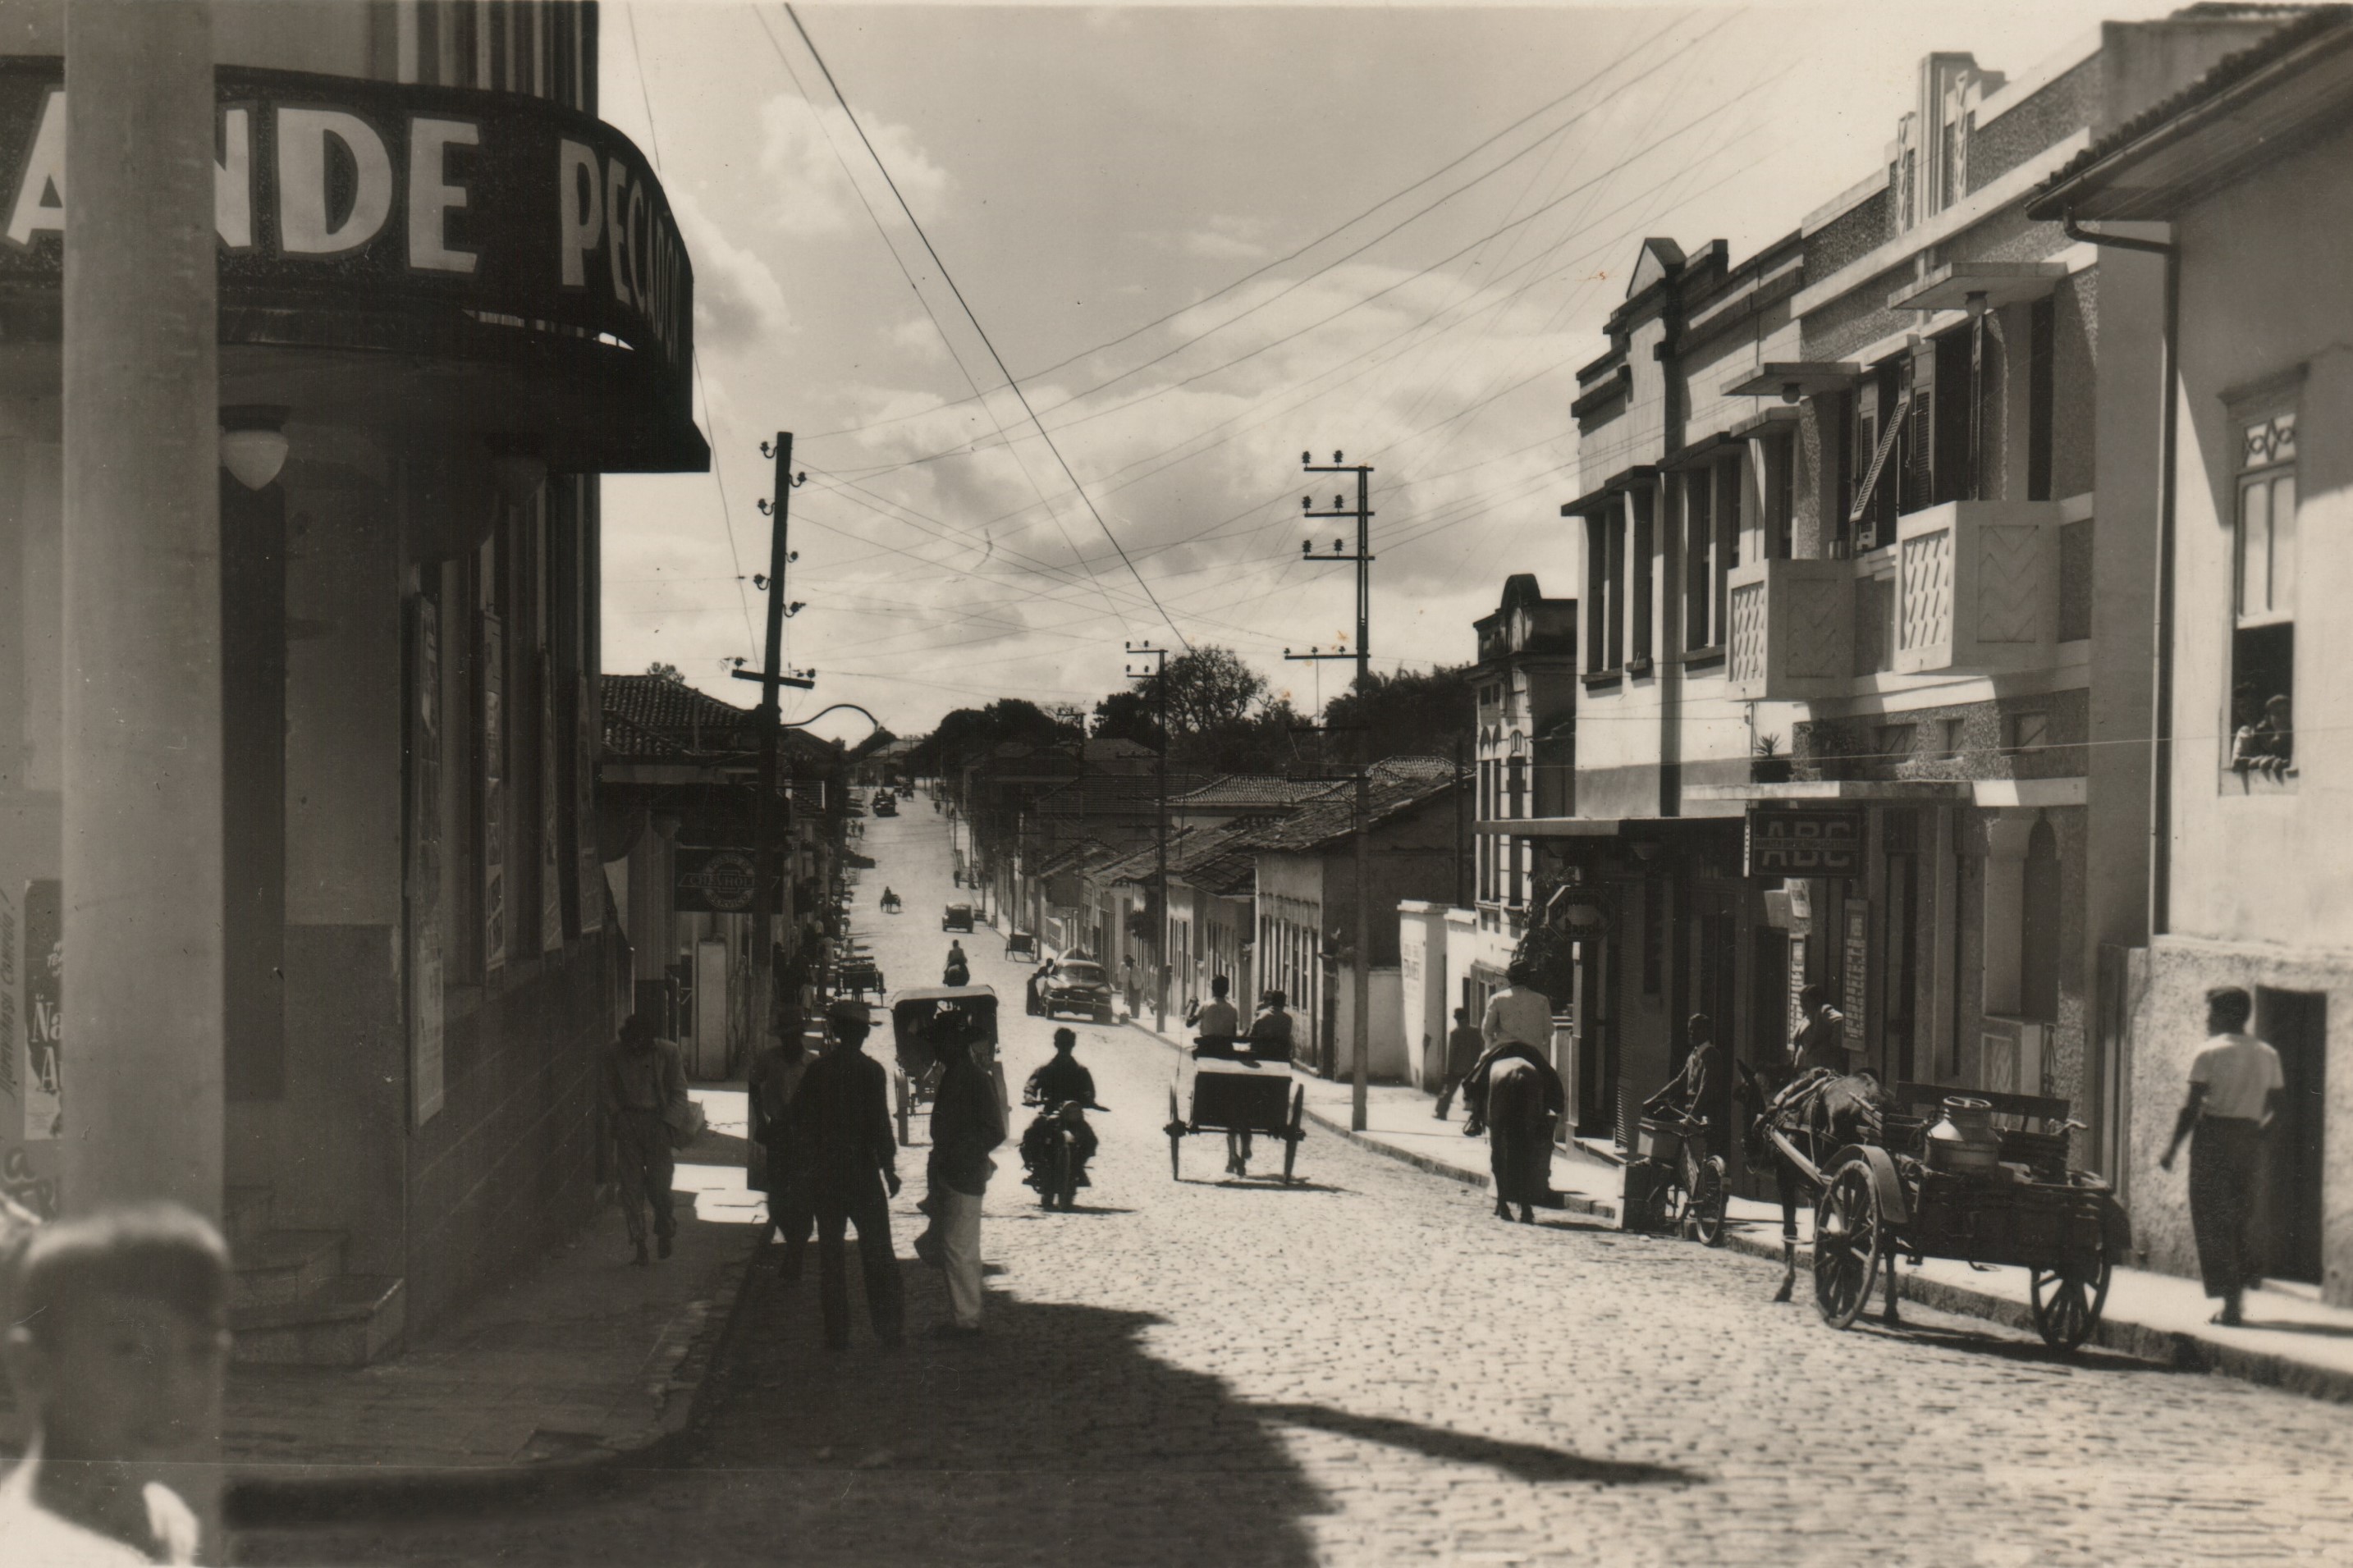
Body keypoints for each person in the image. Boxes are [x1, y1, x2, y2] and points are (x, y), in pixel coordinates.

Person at [0, 1203, 226, 1566]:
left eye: (201, 1352)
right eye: (129, 1350)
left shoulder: (167, 1518)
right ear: (33, 1368)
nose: (175, 1388)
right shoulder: (23, 1549)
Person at [2160, 986, 2285, 1327]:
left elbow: (2191, 1107)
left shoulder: (2209, 1052)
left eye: (2213, 1013)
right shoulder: (2267, 1054)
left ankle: (2230, 1304)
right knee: (2242, 1216)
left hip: (2213, 1138)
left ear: (2229, 1015)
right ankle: (2237, 1298)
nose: (2207, 1019)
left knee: (2213, 1219)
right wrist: (2260, 1134)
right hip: (2248, 1139)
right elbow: (2277, 1107)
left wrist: (2172, 1148)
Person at [790, 998, 905, 1350]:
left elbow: (798, 1120)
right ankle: (888, 1330)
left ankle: (837, 1333)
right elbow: (880, 1126)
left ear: (836, 1031)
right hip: (862, 1174)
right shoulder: (872, 1072)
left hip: (827, 1175)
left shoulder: (818, 1071)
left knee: (831, 1257)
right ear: (863, 1036)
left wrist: (809, 1162)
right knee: (878, 1253)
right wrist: (889, 1170)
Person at [927, 1014, 1005, 1337]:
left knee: (960, 1248)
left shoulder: (973, 1077)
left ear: (956, 1044)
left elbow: (994, 1130)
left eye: (942, 1041)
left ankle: (967, 1320)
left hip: (965, 1172)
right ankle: (964, 1315)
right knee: (954, 1246)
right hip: (952, 1171)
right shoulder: (956, 1075)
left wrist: (962, 1155)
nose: (937, 1048)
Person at [604, 1013, 689, 1265]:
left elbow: (679, 1092)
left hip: (658, 1123)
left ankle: (664, 1228)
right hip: (628, 1123)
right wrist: (616, 1116)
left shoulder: (668, 1052)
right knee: (630, 1188)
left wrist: (668, 1126)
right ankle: (640, 1245)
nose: (636, 1046)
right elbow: (606, 1088)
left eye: (641, 1041)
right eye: (632, 1041)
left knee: (660, 1186)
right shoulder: (614, 1053)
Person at [746, 1013, 816, 1282]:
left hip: (805, 1136)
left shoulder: (811, 1064)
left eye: (793, 1036)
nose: (789, 1042)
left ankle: (796, 1252)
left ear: (800, 1036)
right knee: (776, 1196)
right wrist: (760, 1119)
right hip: (777, 1133)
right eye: (784, 1037)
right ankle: (791, 1244)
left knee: (803, 1195)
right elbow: (753, 1083)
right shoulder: (768, 1059)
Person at [1461, 961, 1554, 1137]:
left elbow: (1487, 1030)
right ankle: (1545, 1118)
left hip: (1503, 1048)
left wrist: (1490, 1045)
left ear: (1510, 979)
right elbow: (1548, 1032)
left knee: (1477, 1078)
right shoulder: (1541, 1000)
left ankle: (1476, 1117)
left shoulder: (1497, 999)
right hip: (1532, 1050)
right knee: (1550, 1081)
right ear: (1529, 978)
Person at [1432, 1006, 1486, 1122]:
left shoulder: (1455, 1033)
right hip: (1473, 1067)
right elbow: (1481, 1049)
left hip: (1457, 1068)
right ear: (1467, 1018)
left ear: (1456, 1019)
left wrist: (1449, 1070)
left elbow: (1452, 1053)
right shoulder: (1475, 1031)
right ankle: (1479, 1115)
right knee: (1476, 1093)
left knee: (1448, 1091)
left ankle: (1441, 1112)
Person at [1788, 985, 1847, 1077]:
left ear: (1816, 1000)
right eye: (1801, 1001)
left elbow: (1840, 1020)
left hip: (1822, 1070)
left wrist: (1834, 1043)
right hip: (1804, 1070)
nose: (1802, 1004)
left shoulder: (1823, 1011)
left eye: (1806, 1001)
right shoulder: (1806, 1019)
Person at [1195, 974, 1240, 1051]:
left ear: (1212, 988)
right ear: (1227, 990)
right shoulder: (1233, 1009)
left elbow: (1189, 1023)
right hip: (1226, 1048)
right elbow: (1234, 1033)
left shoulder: (1205, 1005)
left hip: (1207, 1048)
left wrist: (1192, 1008)